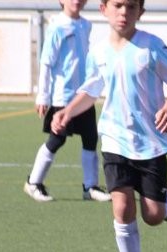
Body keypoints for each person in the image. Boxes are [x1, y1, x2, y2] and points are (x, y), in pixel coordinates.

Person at [51, 0, 167, 252]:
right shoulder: (98, 52)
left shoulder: (152, 47)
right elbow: (91, 90)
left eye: (131, 7)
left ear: (141, 12)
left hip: (150, 143)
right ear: (104, 9)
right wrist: (67, 112)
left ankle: (165, 201)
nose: (124, 12)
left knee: (153, 215)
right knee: (122, 208)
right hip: (114, 141)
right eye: (118, 5)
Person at [24, 0, 111, 203]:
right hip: (62, 97)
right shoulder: (57, 27)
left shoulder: (85, 25)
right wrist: (43, 96)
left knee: (90, 138)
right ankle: (34, 183)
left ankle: (90, 187)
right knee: (57, 139)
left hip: (83, 96)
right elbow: (46, 63)